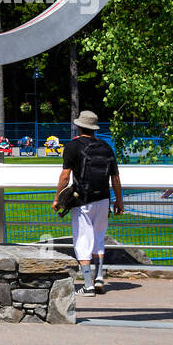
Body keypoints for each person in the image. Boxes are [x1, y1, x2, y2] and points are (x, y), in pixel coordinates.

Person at [55, 111, 123, 295]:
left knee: (82, 241)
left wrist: (57, 199)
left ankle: (88, 285)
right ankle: (99, 277)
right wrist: (119, 201)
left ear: (79, 126)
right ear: (94, 128)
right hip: (103, 200)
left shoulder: (72, 146)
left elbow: (65, 176)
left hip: (82, 200)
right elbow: (115, 178)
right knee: (99, 238)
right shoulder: (105, 147)